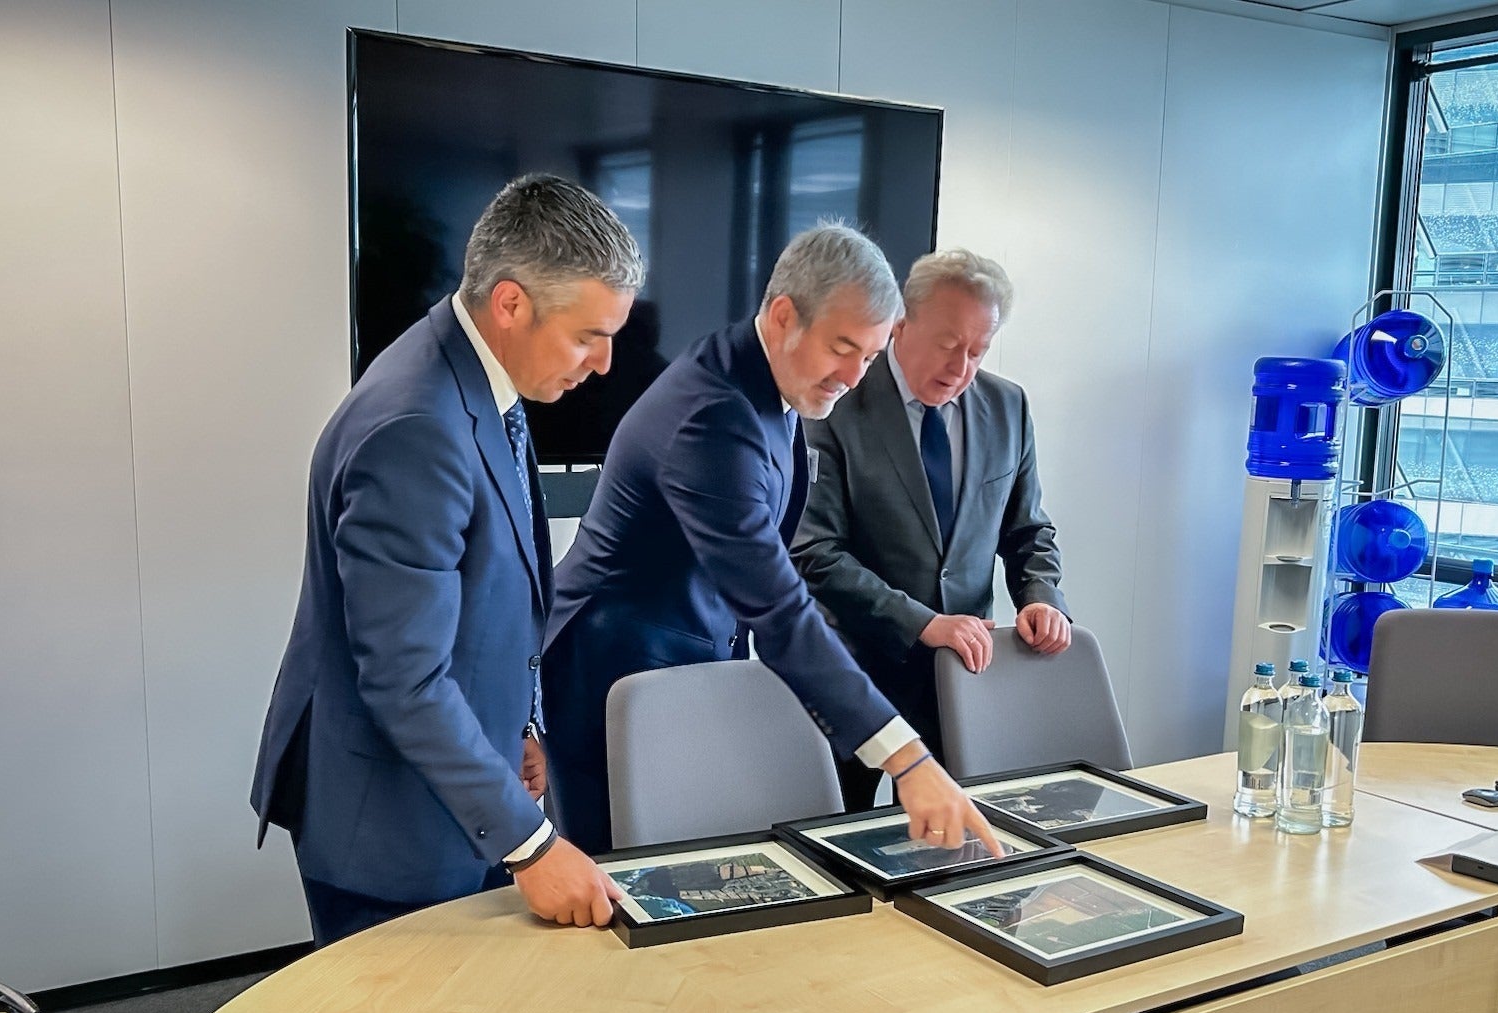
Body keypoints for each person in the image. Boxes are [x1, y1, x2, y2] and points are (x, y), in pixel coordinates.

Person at [250, 174, 644, 945]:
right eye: (586, 336)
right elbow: (404, 676)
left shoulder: (476, 379)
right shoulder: (416, 424)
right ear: (510, 304)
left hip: (444, 790)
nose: (602, 365)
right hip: (388, 825)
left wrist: (516, 724)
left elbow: (487, 598)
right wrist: (532, 847)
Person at [542, 223, 1000, 857]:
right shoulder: (714, 417)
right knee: (619, 885)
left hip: (689, 653)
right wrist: (908, 760)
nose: (852, 375)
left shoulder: (766, 379)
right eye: (842, 348)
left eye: (868, 356)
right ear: (784, 315)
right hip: (614, 667)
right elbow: (779, 604)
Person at [791, 249, 1070, 811]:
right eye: (948, 344)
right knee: (837, 853)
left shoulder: (1007, 405)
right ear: (900, 323)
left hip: (963, 679)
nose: (961, 367)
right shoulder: (834, 402)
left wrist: (1041, 598)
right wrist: (923, 623)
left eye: (977, 349)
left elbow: (1027, 530)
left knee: (954, 849)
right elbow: (814, 552)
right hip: (854, 673)